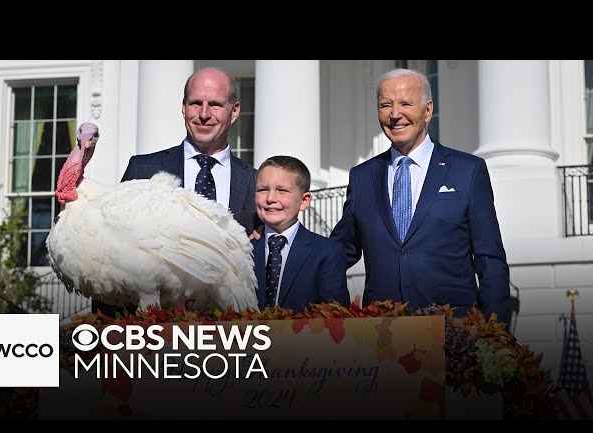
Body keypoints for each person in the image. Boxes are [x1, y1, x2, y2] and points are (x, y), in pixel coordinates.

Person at [330, 68, 511, 325]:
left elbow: (490, 260)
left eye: (406, 103)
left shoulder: (468, 170)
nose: (395, 115)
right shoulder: (362, 177)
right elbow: (340, 251)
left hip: (454, 333)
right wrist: (278, 239)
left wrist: (494, 334)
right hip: (380, 335)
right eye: (385, 105)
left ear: (427, 111)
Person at [92, 66, 262, 316]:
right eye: (195, 103)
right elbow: (108, 254)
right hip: (153, 337)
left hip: (233, 335)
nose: (204, 114)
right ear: (183, 108)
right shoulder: (143, 169)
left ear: (234, 111)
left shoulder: (256, 181)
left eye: (215, 104)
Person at [252, 155, 350, 313]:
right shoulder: (242, 248)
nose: (270, 198)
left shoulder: (327, 252)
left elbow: (335, 319)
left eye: (282, 190)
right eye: (263, 190)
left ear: (304, 201)